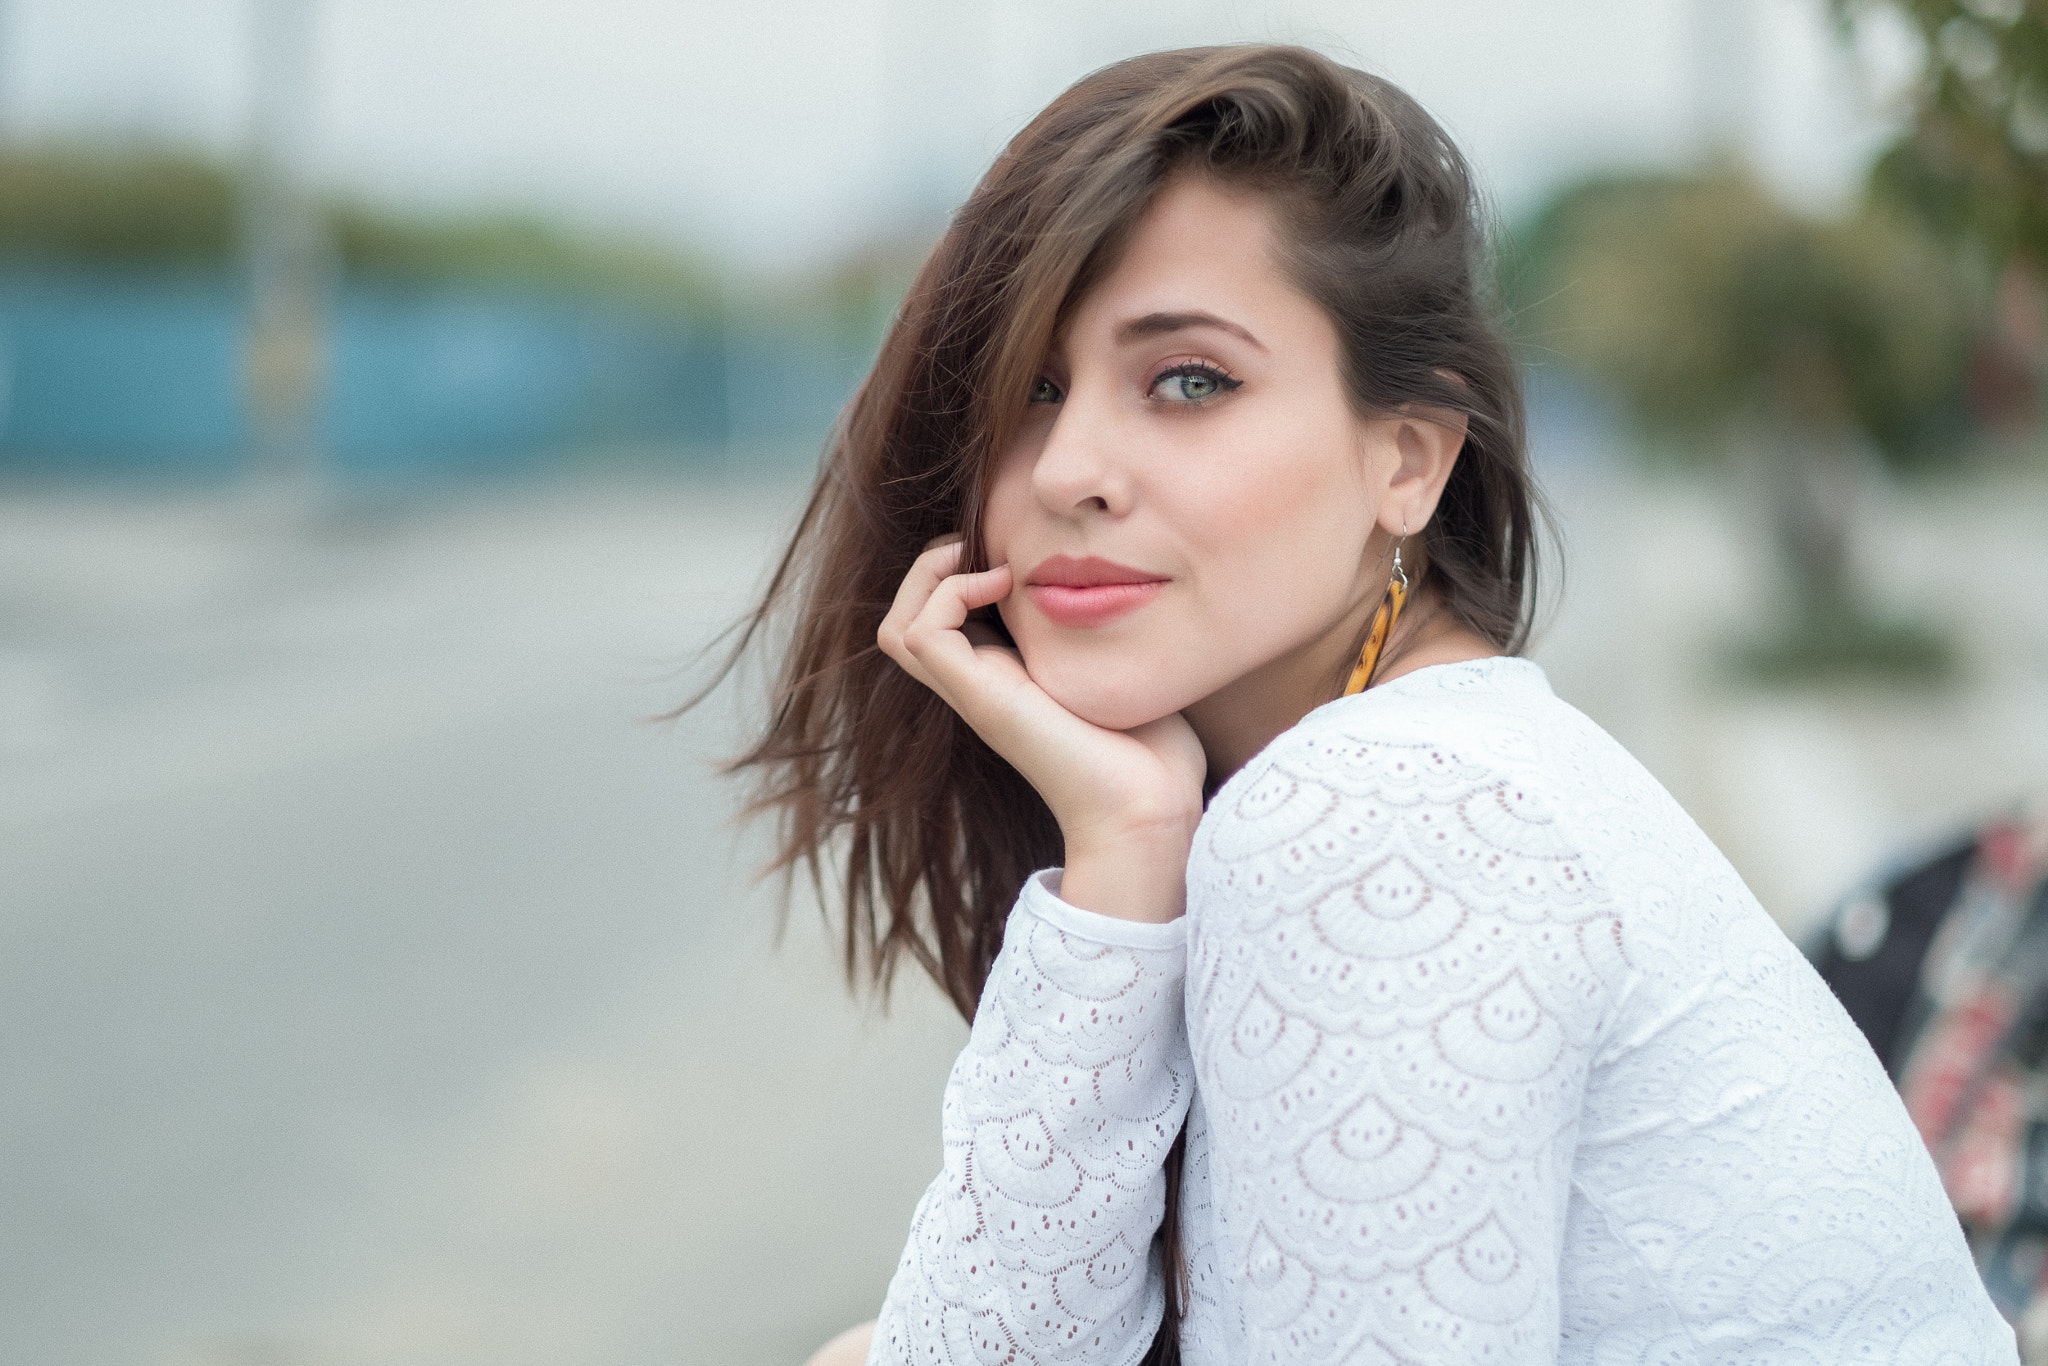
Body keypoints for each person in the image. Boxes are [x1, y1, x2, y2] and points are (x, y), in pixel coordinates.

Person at [722, 45, 2013, 1365]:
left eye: (1188, 381)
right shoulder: (1432, 757)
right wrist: (1125, 850)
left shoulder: (1380, 815)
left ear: (1407, 458)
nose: (1068, 469)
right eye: (1032, 390)